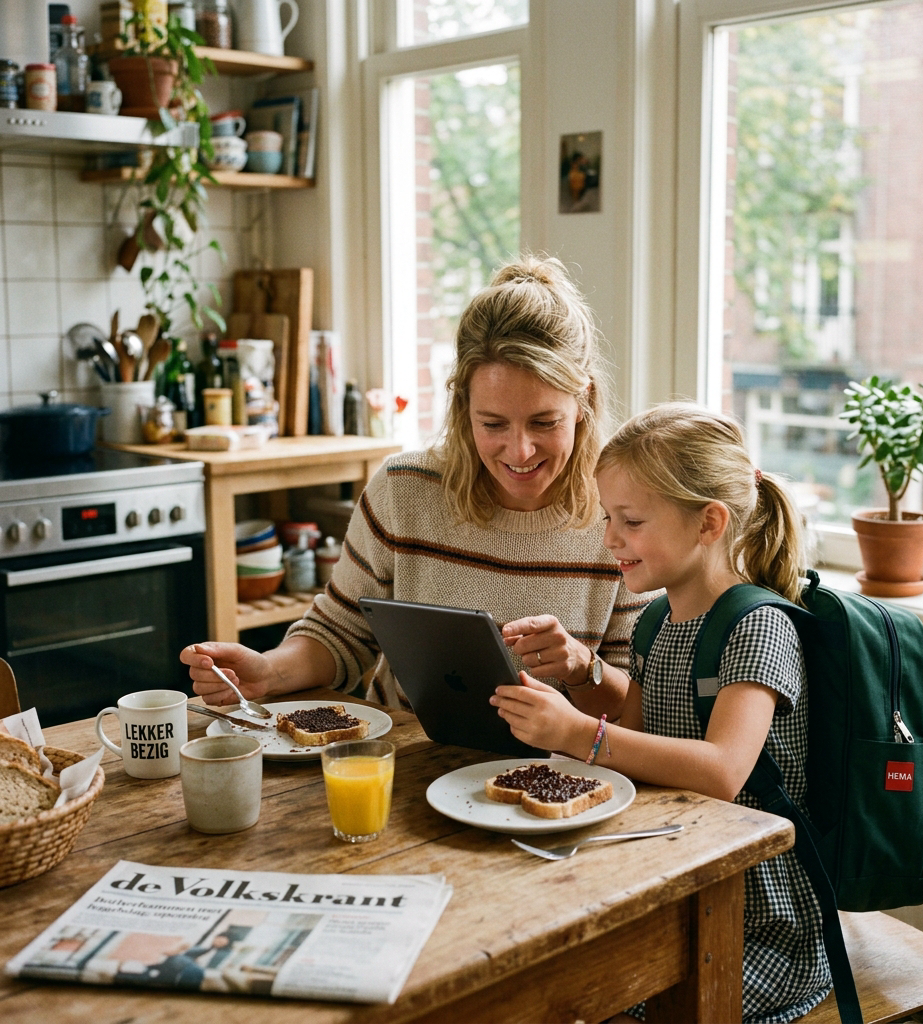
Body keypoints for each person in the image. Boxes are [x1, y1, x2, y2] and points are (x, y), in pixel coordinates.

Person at [182, 256, 655, 717]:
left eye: (544, 421)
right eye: (492, 424)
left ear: (584, 399)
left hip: (559, 781)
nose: (519, 451)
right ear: (462, 405)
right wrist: (266, 671)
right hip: (408, 764)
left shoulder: (623, 515)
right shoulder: (404, 490)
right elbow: (340, 633)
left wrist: (580, 666)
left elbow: (636, 711)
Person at [490, 402, 831, 1023]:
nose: (610, 539)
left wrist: (579, 734)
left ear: (709, 523)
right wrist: (574, 688)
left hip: (754, 912)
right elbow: (637, 740)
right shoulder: (656, 622)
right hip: (674, 879)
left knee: (595, 999)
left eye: (631, 521)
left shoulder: (758, 627)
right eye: (607, 519)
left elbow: (722, 770)